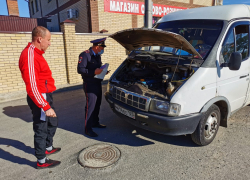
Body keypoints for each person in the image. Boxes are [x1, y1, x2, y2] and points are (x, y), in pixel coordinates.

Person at [19, 26, 61, 169]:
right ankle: (41, 161)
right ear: (39, 39)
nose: (49, 43)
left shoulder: (37, 54)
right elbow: (31, 87)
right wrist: (45, 106)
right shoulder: (29, 55)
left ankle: (47, 147)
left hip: (45, 95)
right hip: (40, 98)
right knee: (41, 128)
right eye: (48, 40)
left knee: (52, 122)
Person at [77, 38, 109, 137]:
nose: (102, 49)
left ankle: (95, 122)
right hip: (89, 84)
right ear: (96, 47)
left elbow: (97, 68)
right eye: (101, 47)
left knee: (97, 105)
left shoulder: (98, 56)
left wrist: (103, 71)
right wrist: (93, 72)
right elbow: (80, 70)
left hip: (97, 83)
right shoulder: (85, 55)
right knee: (90, 107)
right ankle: (88, 128)